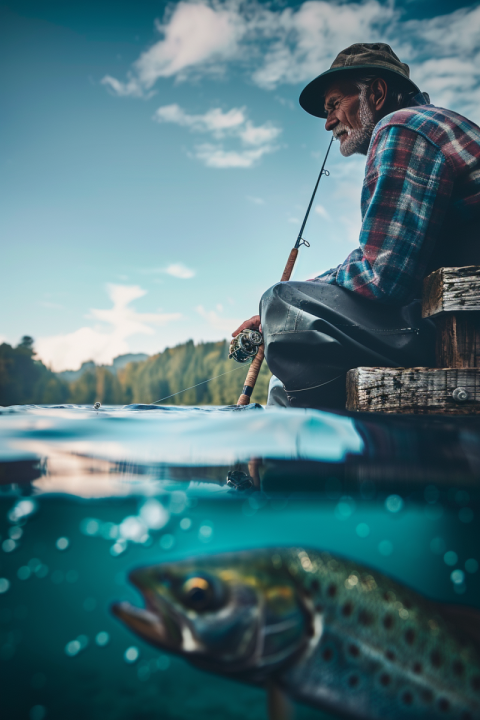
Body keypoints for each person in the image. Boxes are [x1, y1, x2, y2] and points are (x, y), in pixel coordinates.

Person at [232, 43, 480, 410]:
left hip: (462, 325)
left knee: (280, 302)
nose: (328, 121)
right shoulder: (435, 125)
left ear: (377, 93)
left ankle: (307, 456)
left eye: (334, 104)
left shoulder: (403, 126)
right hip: (453, 314)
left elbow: (384, 278)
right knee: (284, 371)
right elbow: (385, 266)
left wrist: (288, 304)